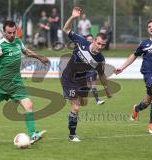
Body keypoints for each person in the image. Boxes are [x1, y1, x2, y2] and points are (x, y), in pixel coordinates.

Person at [61, 7, 112, 142]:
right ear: (94, 40)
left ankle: (71, 104)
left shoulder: (100, 59)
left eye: (103, 45)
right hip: (69, 78)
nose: (100, 46)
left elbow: (101, 75)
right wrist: (72, 17)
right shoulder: (82, 41)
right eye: (99, 43)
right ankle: (72, 135)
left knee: (84, 103)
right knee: (76, 106)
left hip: (82, 81)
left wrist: (106, 90)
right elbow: (66, 29)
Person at [85, 34, 105, 105]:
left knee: (93, 85)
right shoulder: (84, 47)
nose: (89, 41)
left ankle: (97, 100)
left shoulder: (97, 51)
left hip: (91, 70)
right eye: (88, 40)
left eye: (91, 39)